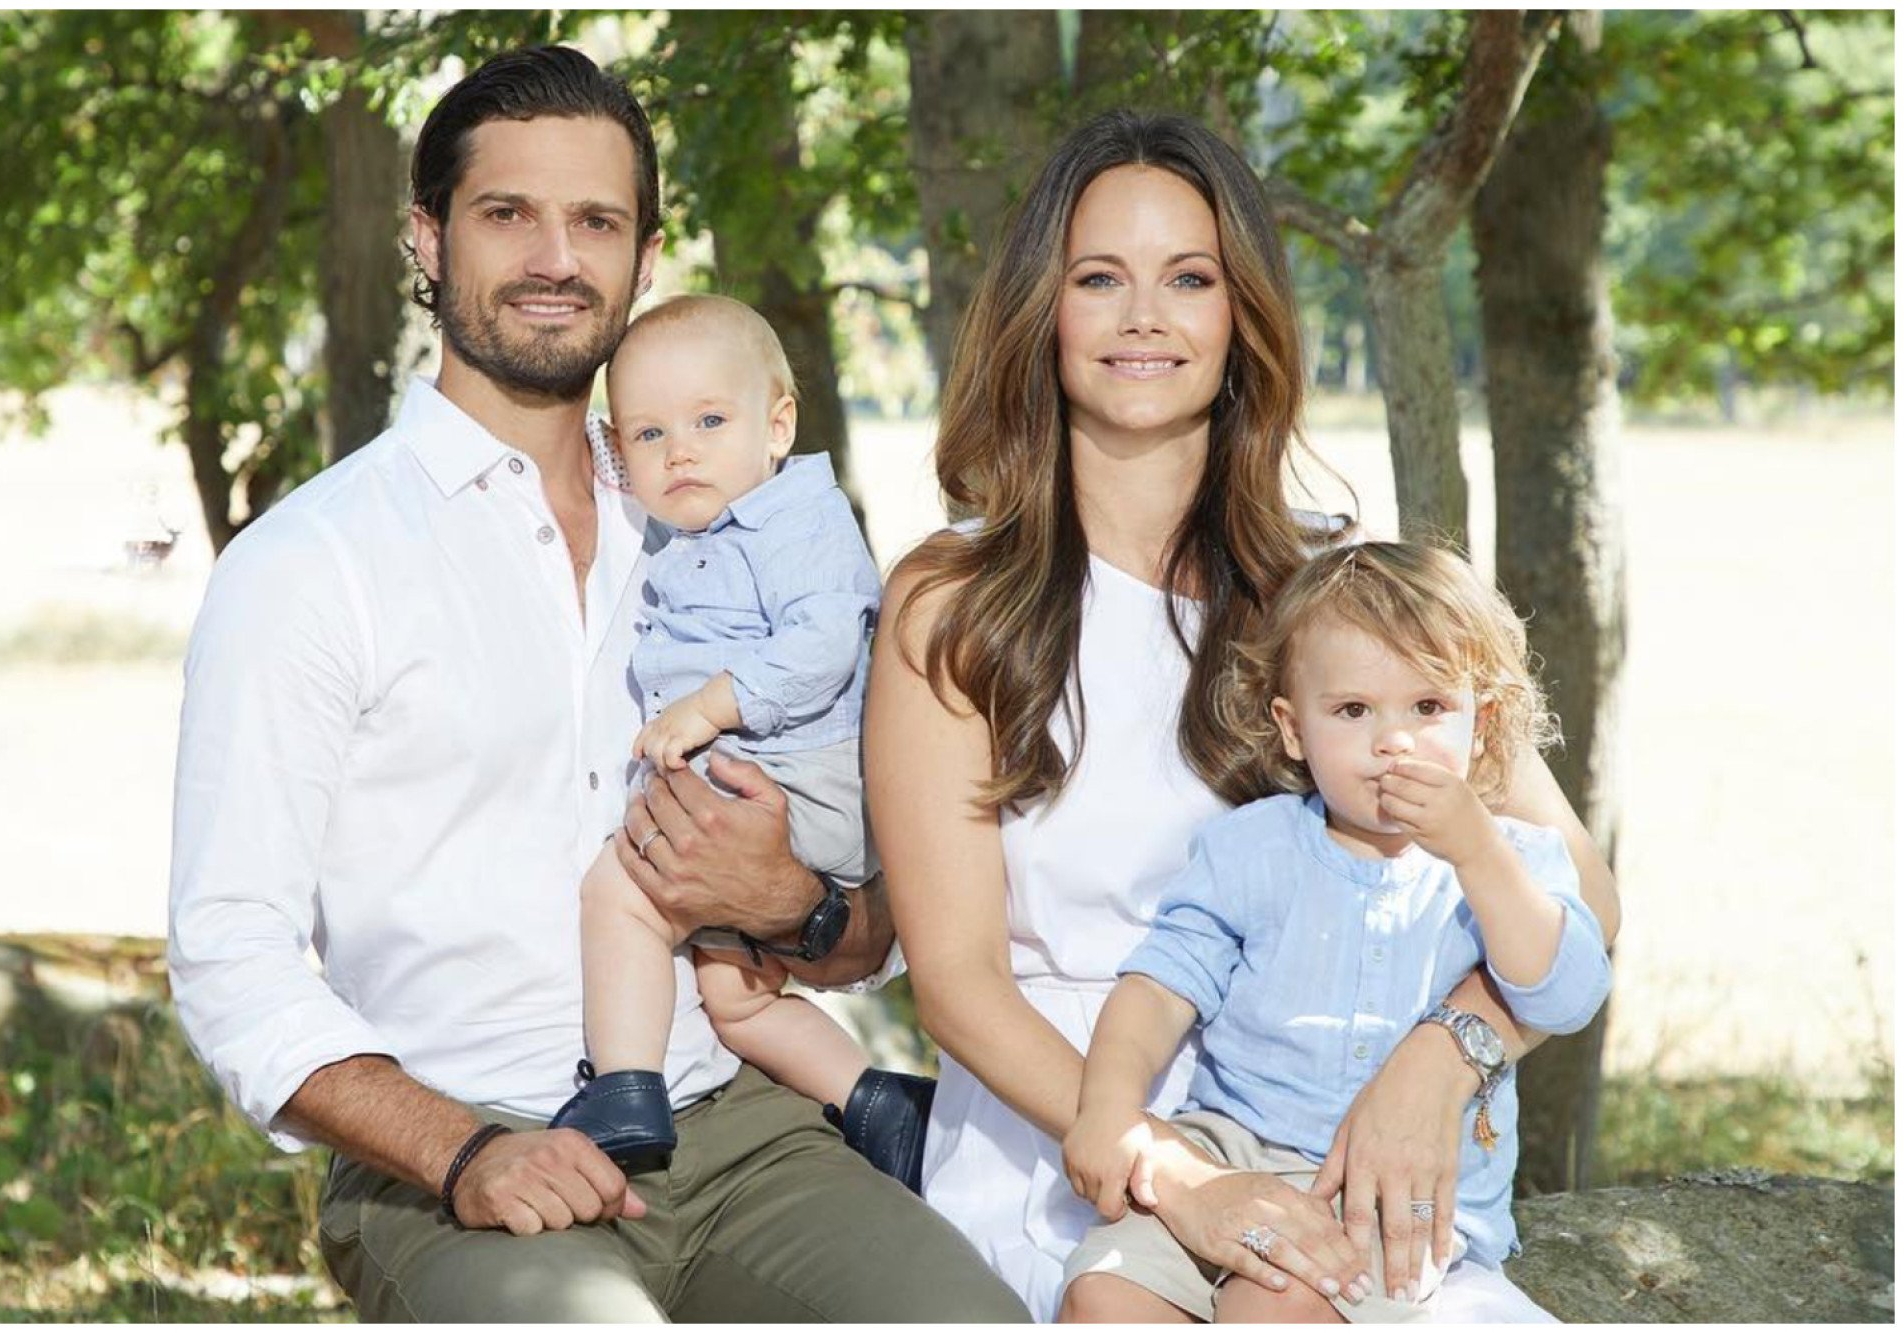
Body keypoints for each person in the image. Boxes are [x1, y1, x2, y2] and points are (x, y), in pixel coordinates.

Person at [167, 45, 1027, 1322]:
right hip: (460, 1150)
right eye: (508, 213)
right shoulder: (311, 564)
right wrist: (460, 1150)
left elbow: (870, 928)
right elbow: (228, 953)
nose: (555, 257)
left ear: (643, 252)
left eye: (597, 221)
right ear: (426, 236)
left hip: (745, 1128)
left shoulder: (724, 532)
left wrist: (792, 903)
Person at [863, 108, 1622, 1322]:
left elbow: (1578, 886)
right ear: (1039, 312)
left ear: (1242, 316)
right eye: (1098, 278)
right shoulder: (951, 601)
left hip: (1328, 1151)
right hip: (1066, 1152)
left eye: (1190, 278)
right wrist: (1177, 1174)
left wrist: (1444, 1056)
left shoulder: (1339, 590)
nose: (1143, 317)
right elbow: (955, 984)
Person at [1060, 542, 1613, 1323]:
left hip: (1389, 1200)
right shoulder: (1252, 846)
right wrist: (1111, 1107)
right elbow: (1158, 986)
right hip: (1226, 1151)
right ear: (1292, 728)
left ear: (1480, 725)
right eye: (1353, 710)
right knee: (1105, 1294)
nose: (1394, 741)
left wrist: (1477, 851)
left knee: (1274, 1304)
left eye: (1427, 708)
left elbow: (1563, 990)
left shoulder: (1512, 858)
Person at [557, 293, 934, 1188]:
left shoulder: (797, 515)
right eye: (646, 436)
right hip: (773, 774)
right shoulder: (691, 527)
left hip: (797, 775)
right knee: (734, 997)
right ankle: (882, 1106)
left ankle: (624, 1088)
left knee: (620, 890)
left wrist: (711, 706)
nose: (677, 449)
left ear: (778, 425)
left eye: (708, 420)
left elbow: (823, 641)